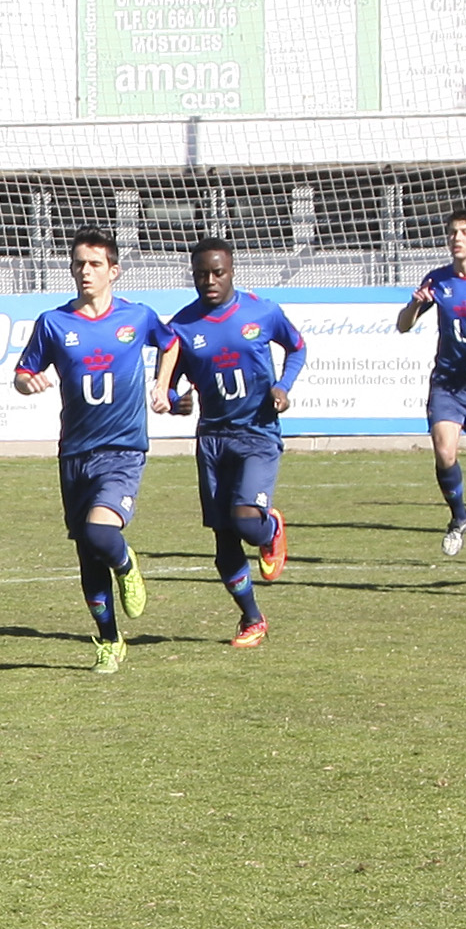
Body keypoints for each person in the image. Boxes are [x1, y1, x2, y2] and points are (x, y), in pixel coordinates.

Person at [15, 230, 178, 674]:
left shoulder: (138, 317)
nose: (85, 271)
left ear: (114, 271)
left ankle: (127, 566)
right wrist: (26, 381)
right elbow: (23, 371)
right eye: (78, 264)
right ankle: (109, 640)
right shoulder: (54, 323)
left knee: (101, 534)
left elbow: (171, 342)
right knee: (87, 556)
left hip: (123, 449)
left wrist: (163, 385)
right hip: (75, 454)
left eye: (94, 264)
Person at [163, 239, 304, 648]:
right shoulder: (182, 327)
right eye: (201, 274)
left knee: (246, 520)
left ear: (232, 271)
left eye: (217, 272)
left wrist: (282, 386)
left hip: (258, 432)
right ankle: (252, 618)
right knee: (224, 540)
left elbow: (296, 347)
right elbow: (167, 385)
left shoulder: (263, 311)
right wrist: (176, 401)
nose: (209, 281)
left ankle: (270, 526)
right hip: (212, 439)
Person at [394, 207, 466, 557]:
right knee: (445, 451)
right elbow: (403, 324)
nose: (456, 238)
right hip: (448, 382)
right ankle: (459, 517)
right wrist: (413, 304)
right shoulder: (438, 280)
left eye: (464, 232)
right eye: (452, 232)